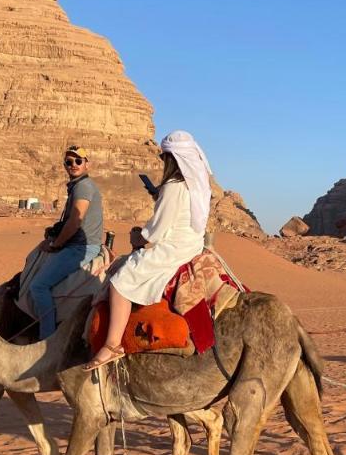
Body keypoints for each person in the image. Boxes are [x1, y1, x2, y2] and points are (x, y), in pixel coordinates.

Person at [86, 130, 213, 370]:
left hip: (172, 250)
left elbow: (157, 231)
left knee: (120, 282)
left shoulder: (174, 186)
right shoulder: (197, 185)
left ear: (171, 160)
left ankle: (112, 345)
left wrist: (138, 237)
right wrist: (159, 196)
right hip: (192, 245)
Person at [30, 145, 104, 337]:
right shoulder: (77, 186)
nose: (73, 165)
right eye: (69, 162)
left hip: (80, 248)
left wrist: (56, 244)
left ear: (87, 164)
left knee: (38, 286)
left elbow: (75, 221)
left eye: (78, 161)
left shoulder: (83, 186)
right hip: (76, 244)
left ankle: (46, 338)